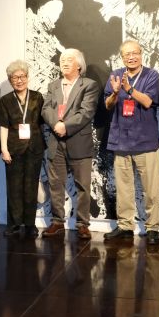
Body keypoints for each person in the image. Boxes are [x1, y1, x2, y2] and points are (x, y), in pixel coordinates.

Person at [103, 40, 159, 245]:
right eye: (127, 54)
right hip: (121, 140)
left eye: (135, 53)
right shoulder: (115, 75)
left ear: (141, 54)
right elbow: (108, 105)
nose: (131, 57)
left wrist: (128, 89)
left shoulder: (151, 75)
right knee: (124, 188)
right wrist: (115, 92)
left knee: (151, 189)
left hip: (145, 140)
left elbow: (148, 102)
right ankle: (125, 226)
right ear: (121, 57)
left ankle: (152, 228)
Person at [41, 48, 101, 239]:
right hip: (55, 141)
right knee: (55, 184)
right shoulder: (53, 85)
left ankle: (83, 224)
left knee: (83, 185)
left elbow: (87, 111)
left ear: (79, 65)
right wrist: (56, 124)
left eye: (69, 60)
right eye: (62, 60)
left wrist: (65, 126)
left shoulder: (89, 85)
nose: (64, 63)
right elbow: (46, 109)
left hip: (79, 140)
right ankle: (57, 222)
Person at [0, 60, 46, 238]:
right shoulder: (5, 100)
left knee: (31, 186)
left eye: (22, 76)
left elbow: (43, 122)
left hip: (34, 148)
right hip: (13, 149)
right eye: (14, 77)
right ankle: (14, 224)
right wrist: (4, 149)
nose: (19, 80)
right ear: (10, 80)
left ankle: (30, 224)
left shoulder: (37, 97)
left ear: (27, 77)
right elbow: (3, 126)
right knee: (14, 187)